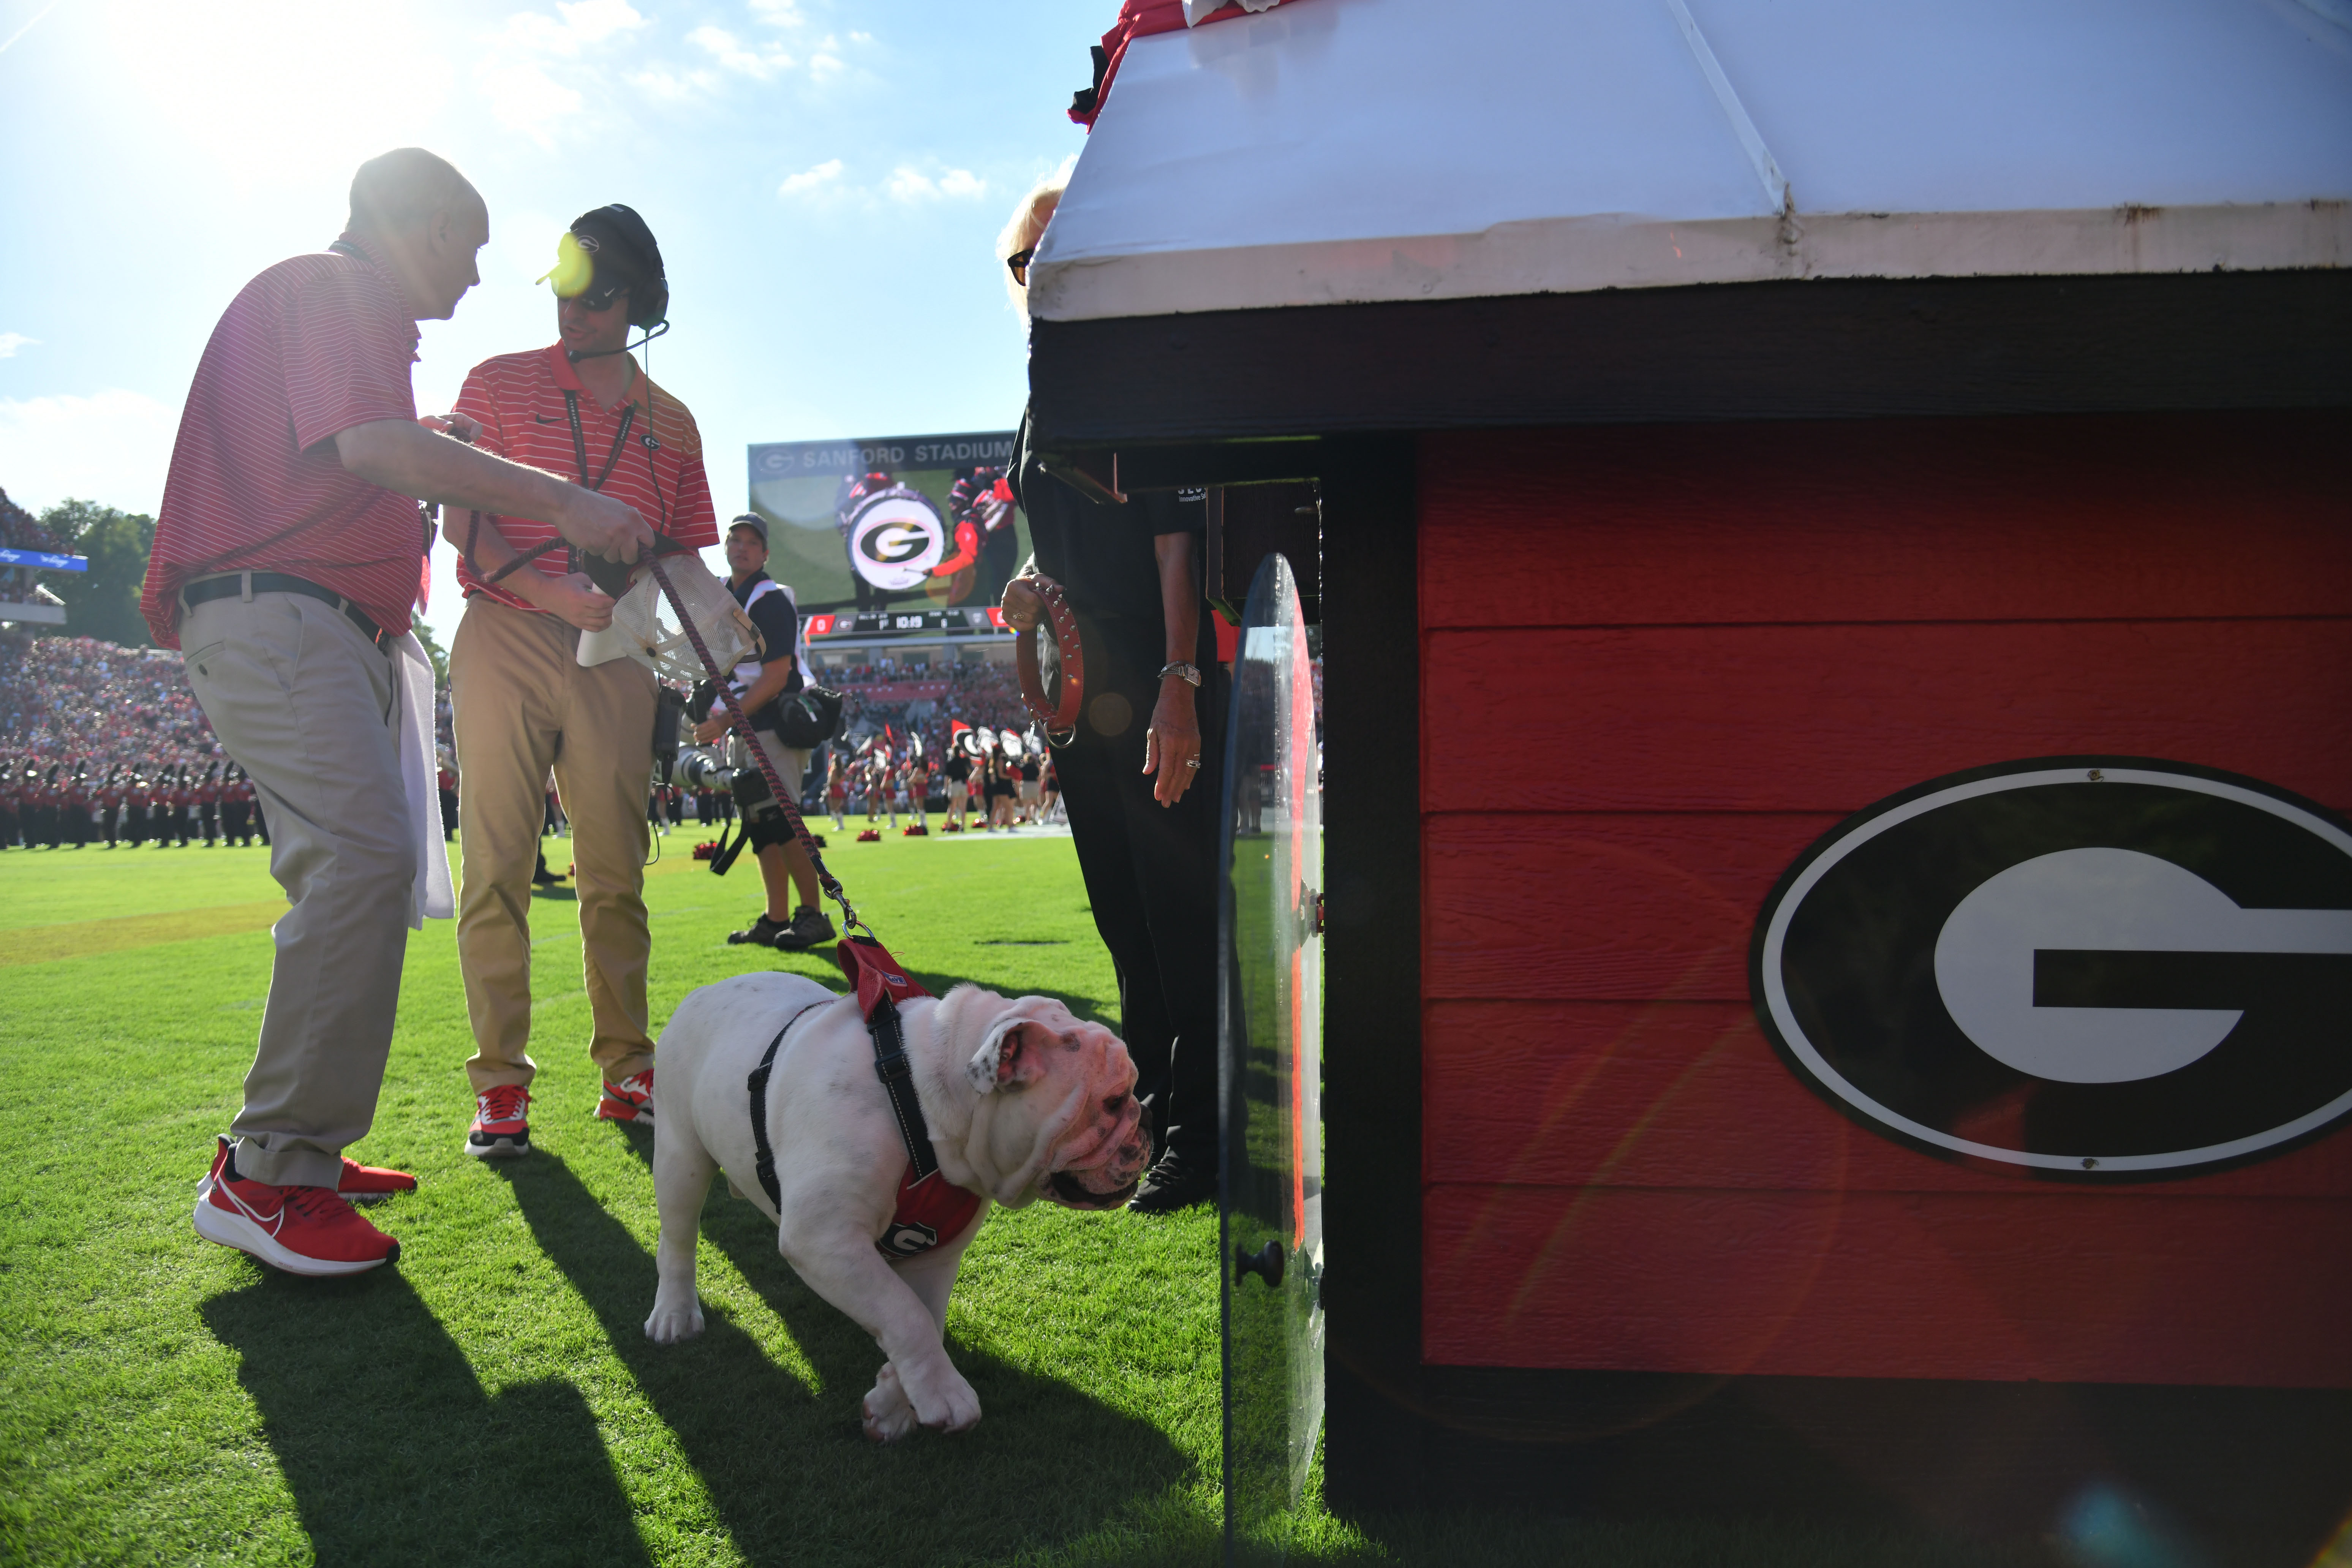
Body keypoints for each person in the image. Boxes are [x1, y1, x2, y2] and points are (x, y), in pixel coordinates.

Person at [145, 148, 656, 1274]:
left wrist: (432, 442)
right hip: (284, 610)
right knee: (367, 862)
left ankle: (301, 1155)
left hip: (317, 616)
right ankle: (271, 1169)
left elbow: (355, 447)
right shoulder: (339, 290)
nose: (477, 274)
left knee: (371, 870)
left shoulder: (340, 305)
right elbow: (370, 448)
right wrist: (565, 495)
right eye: (467, 245)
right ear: (415, 223)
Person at [443, 204, 717, 1158]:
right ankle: (500, 1084)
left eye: (596, 294)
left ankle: (627, 1066)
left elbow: (685, 563)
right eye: (561, 285)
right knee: (496, 868)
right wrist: (552, 587)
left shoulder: (673, 424)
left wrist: (723, 650)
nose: (574, 309)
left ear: (640, 300)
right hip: (506, 632)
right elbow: (459, 524)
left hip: (616, 654)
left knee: (613, 873)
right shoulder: (498, 381)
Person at [997, 171, 1226, 1212]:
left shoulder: (1153, 365)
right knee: (1126, 927)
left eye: (1052, 251)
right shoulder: (1045, 388)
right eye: (1022, 259)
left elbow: (1181, 547)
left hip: (1153, 675)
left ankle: (1210, 1135)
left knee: (1182, 923)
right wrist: (1031, 594)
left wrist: (1181, 685)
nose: (1036, 272)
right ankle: (1148, 1110)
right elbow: (1068, 544)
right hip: (1081, 691)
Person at [702, 514, 835, 951]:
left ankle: (812, 915)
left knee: (784, 821)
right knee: (760, 823)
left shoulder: (770, 599)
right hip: (747, 722)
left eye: (751, 542)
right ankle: (777, 917)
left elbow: (776, 677)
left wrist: (723, 719)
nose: (741, 547)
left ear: (765, 553)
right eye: (734, 539)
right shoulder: (726, 593)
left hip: (775, 719)